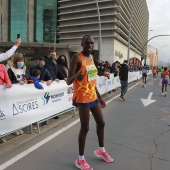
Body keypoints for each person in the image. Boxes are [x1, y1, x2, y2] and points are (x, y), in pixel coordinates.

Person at [66, 35, 113, 170]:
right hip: (82, 97)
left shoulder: (91, 58)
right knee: (85, 128)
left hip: (93, 96)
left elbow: (92, 80)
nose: (90, 46)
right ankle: (80, 160)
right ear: (82, 44)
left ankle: (101, 150)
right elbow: (68, 80)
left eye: (92, 43)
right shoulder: (77, 57)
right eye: (87, 43)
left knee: (101, 123)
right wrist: (75, 76)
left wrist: (100, 97)